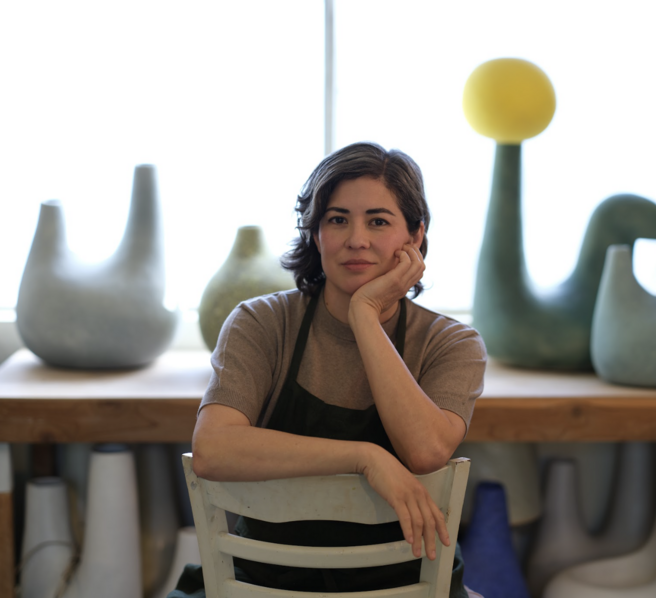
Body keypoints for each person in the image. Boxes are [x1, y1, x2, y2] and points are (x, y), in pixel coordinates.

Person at [170, 142, 487, 597]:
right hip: (262, 585)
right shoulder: (261, 323)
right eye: (337, 220)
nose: (356, 239)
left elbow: (424, 451)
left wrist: (364, 314)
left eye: (378, 221)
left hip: (403, 588)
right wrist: (365, 457)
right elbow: (213, 449)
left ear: (415, 236)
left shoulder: (450, 343)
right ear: (315, 234)